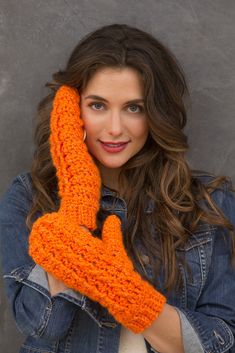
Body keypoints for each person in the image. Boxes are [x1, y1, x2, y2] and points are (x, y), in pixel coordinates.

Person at [0, 23, 235, 353]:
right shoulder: (28, 198)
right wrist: (78, 200)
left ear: (156, 113)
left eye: (133, 108)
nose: (114, 129)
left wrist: (127, 296)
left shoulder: (210, 202)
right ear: (70, 109)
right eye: (97, 105)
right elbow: (43, 325)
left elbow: (223, 340)